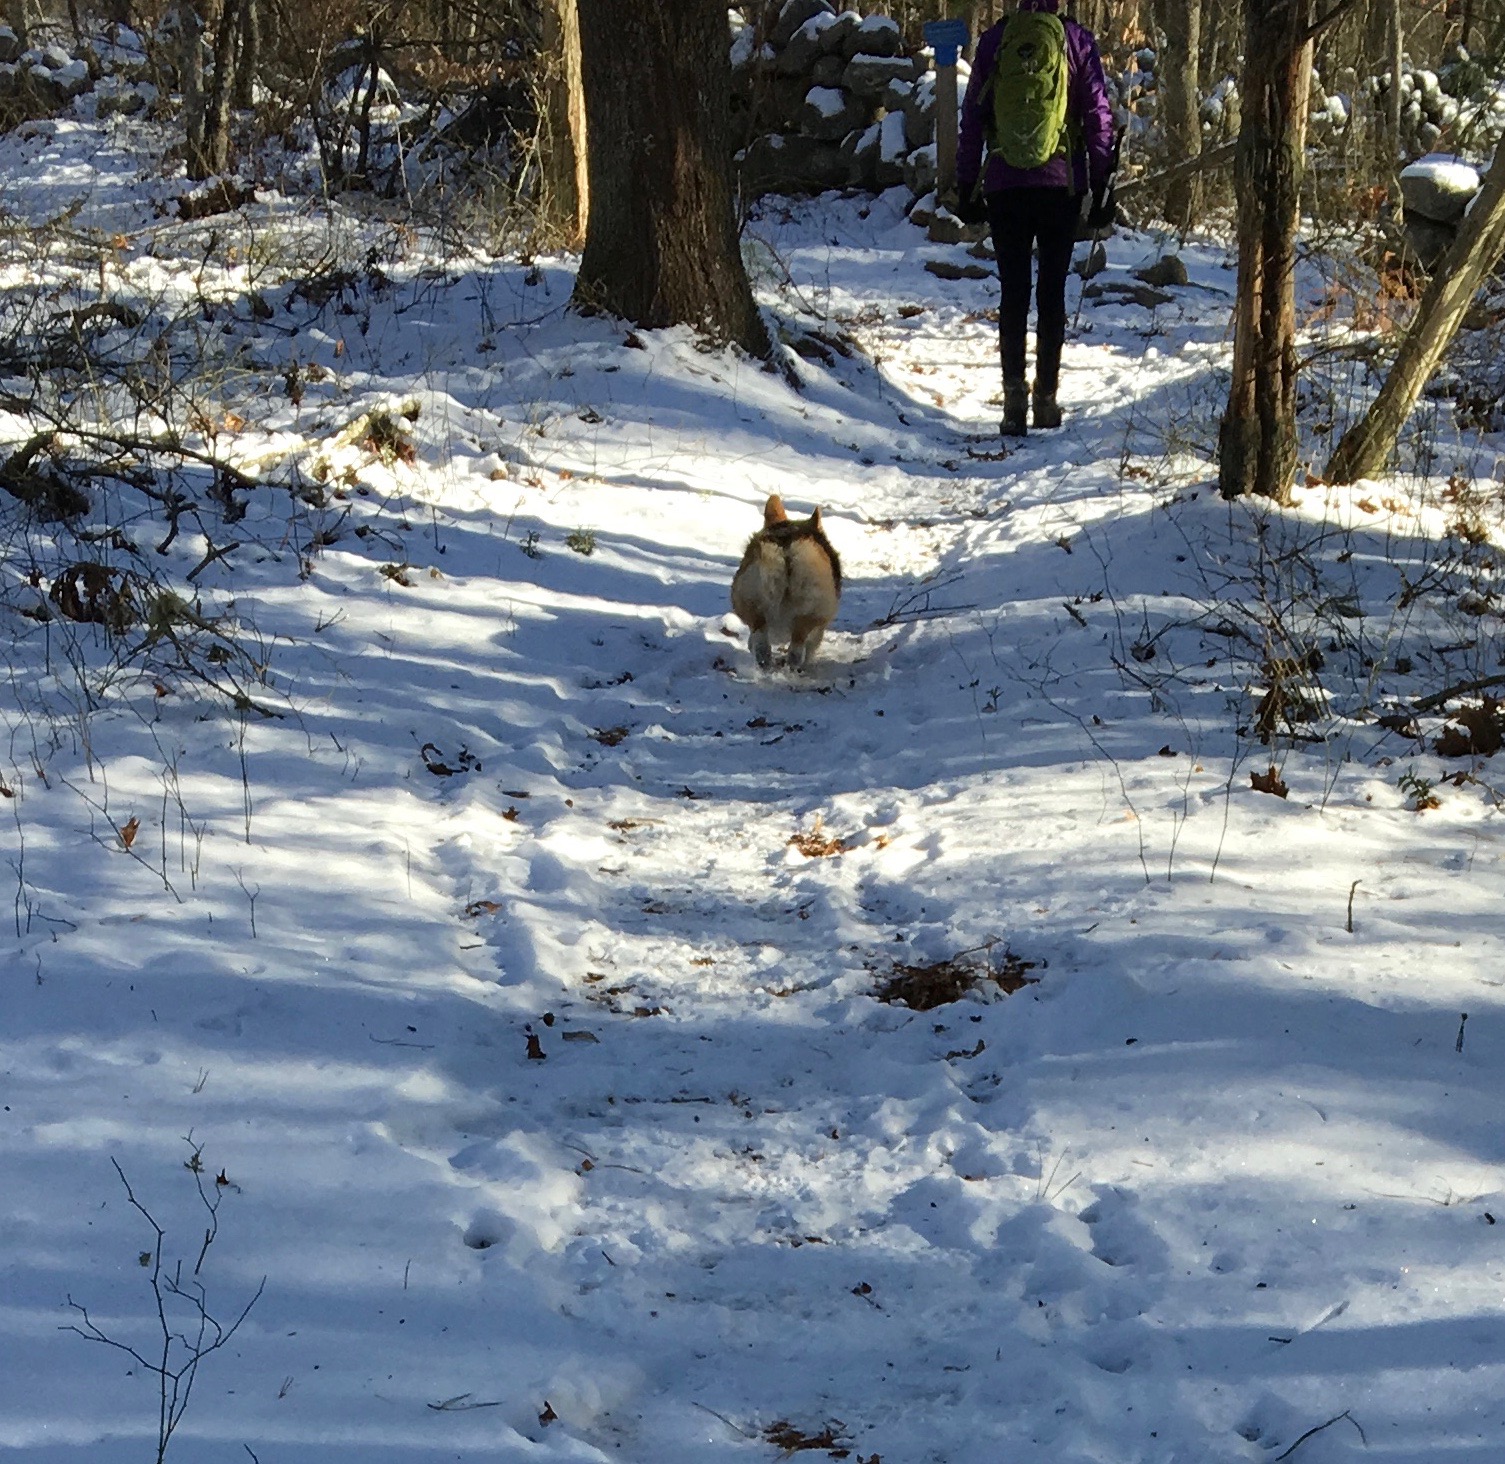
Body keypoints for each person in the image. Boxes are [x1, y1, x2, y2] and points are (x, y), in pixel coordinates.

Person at [955, 0, 1115, 436]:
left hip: (1004, 184)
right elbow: (1098, 116)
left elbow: (972, 118)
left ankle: (1013, 403)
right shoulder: (1076, 41)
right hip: (1060, 184)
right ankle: (1045, 400)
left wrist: (966, 183)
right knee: (1051, 291)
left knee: (1013, 292)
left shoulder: (996, 40)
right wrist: (1101, 182)